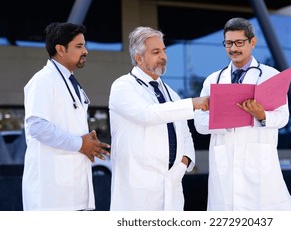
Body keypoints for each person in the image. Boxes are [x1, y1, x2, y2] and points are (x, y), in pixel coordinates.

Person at [194, 17, 291, 211]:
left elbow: (283, 117)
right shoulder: (213, 80)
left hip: (259, 166)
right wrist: (224, 119)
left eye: (239, 42)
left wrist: (261, 115)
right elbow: (199, 123)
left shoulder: (270, 76)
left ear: (252, 42)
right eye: (228, 43)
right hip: (225, 168)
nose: (233, 49)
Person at [109, 26, 209, 211]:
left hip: (171, 181)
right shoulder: (123, 87)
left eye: (163, 50)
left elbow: (185, 133)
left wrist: (184, 161)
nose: (163, 56)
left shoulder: (171, 93)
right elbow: (148, 114)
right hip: (137, 186)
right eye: (156, 52)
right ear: (139, 58)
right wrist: (193, 103)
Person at [23, 22, 111, 211]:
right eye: (79, 46)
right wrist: (81, 143)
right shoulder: (43, 80)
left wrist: (87, 141)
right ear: (60, 49)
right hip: (51, 193)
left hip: (72, 190)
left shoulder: (70, 81)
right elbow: (37, 126)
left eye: (85, 45)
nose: (85, 51)